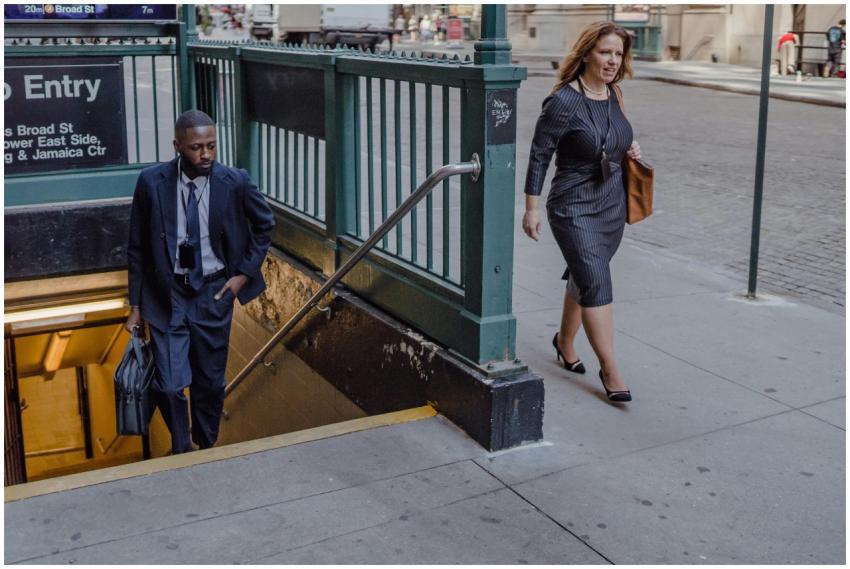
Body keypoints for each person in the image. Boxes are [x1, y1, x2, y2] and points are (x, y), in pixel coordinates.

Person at [125, 110, 275, 453]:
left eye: (211, 146)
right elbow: (136, 248)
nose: (205, 154)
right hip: (168, 293)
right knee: (170, 382)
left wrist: (240, 277)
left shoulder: (235, 181)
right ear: (178, 146)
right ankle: (181, 449)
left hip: (213, 291)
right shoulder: (151, 182)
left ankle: (205, 443)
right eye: (196, 148)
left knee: (209, 381)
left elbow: (265, 225)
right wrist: (135, 306)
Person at [522, 21, 641, 403]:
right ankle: (611, 368)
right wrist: (531, 208)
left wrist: (630, 147)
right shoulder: (563, 101)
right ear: (588, 52)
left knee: (584, 274)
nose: (612, 60)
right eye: (605, 52)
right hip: (573, 206)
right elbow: (540, 154)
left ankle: (564, 342)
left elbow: (615, 136)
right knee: (596, 280)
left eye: (618, 54)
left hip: (611, 204)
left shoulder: (614, 93)